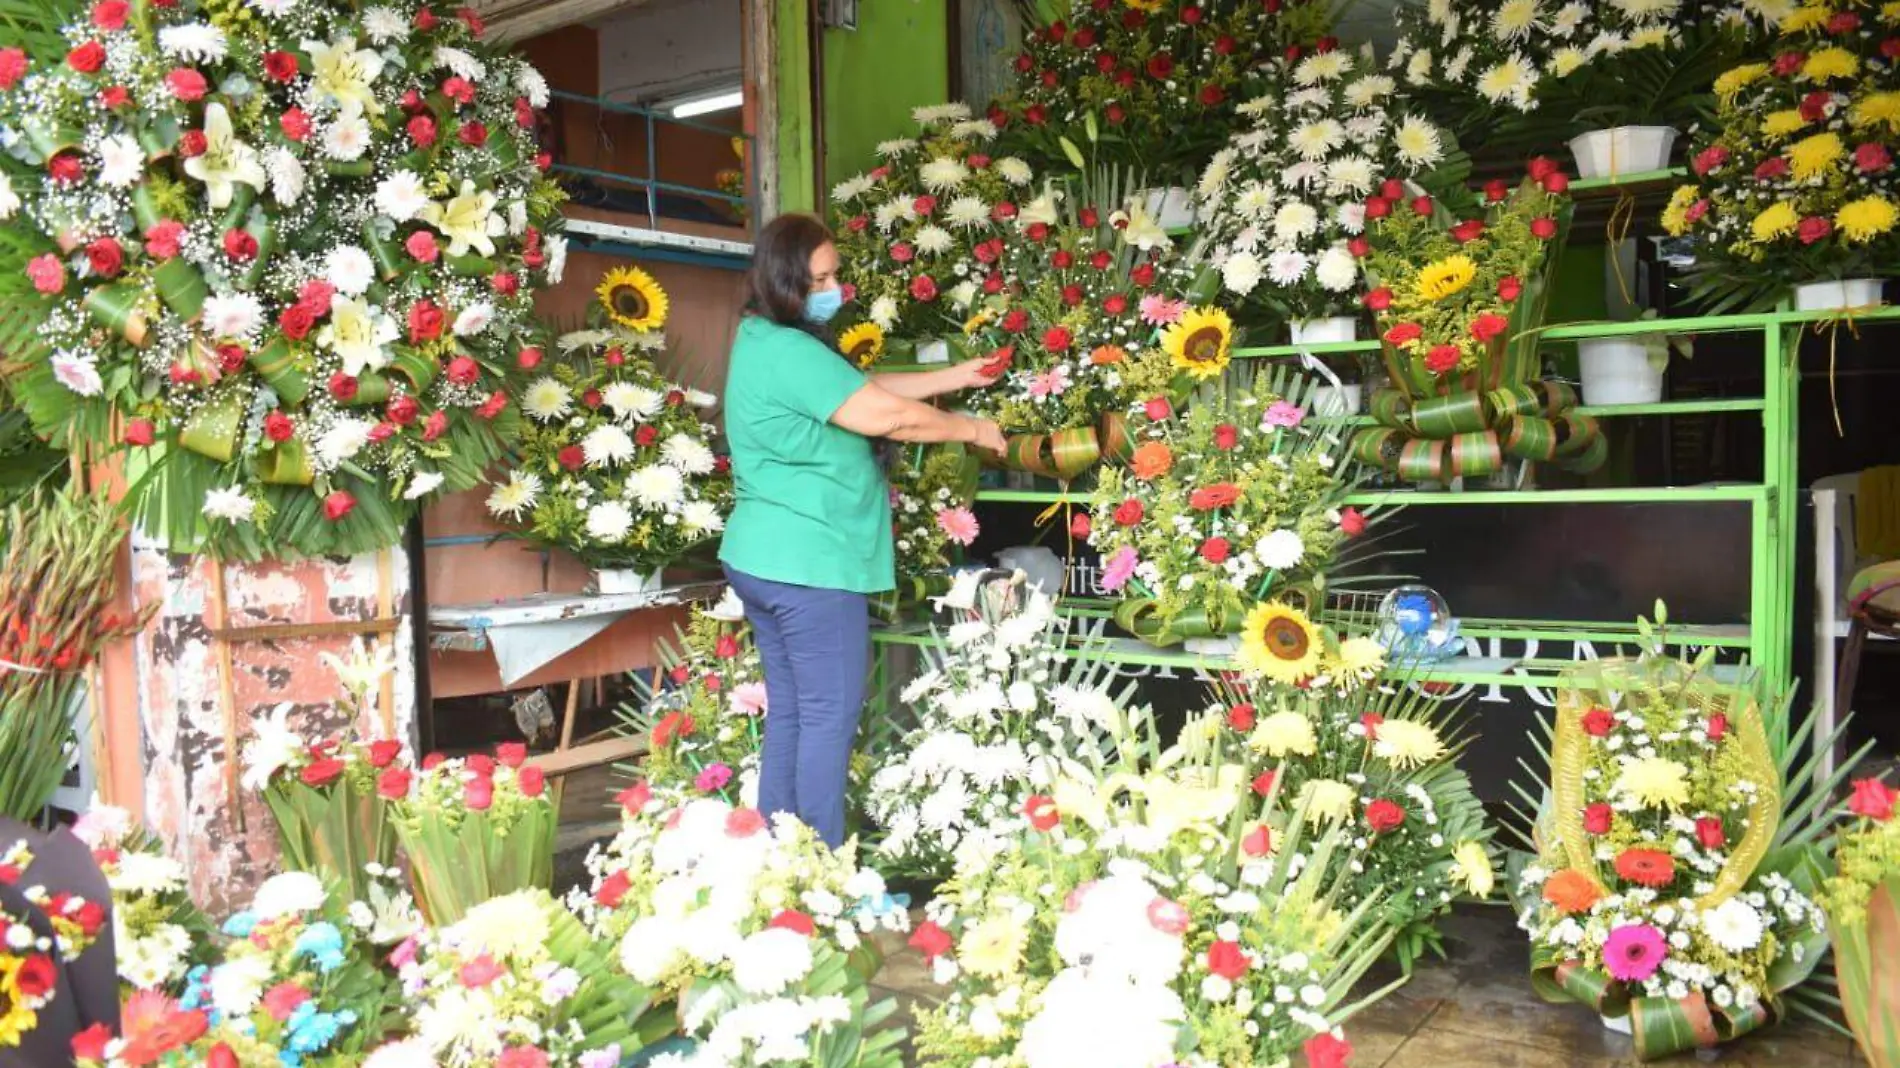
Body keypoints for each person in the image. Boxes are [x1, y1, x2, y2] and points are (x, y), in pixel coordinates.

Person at [718, 213, 1008, 846]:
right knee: (827, 714)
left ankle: (778, 855)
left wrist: (953, 379)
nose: (834, 287)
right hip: (808, 563)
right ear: (785, 280)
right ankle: (822, 862)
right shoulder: (791, 350)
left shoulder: (764, 338)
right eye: (820, 277)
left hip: (766, 556)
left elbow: (860, 387)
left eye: (835, 273)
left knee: (794, 710)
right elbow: (886, 417)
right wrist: (972, 429)